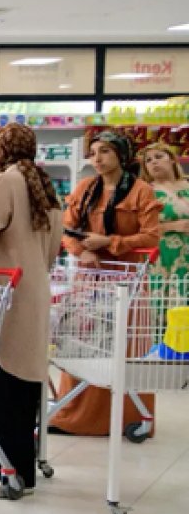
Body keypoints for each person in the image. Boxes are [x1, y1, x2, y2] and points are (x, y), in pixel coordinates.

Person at [0, 123, 63, 499]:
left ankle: (10, 474)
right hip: (34, 290)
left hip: (3, 293)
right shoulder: (45, 186)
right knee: (21, 387)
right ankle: (4, 462)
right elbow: (53, 250)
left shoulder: (5, 182)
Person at [51, 130, 161, 436]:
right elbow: (67, 230)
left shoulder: (141, 191)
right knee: (83, 346)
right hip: (89, 280)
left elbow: (152, 236)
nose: (97, 159)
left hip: (128, 281)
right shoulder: (85, 189)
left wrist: (109, 242)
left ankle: (131, 418)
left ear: (121, 156)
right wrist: (83, 250)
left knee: (125, 348)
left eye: (105, 152)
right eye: (93, 153)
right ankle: (73, 415)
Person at [141, 142, 189, 284]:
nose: (154, 162)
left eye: (158, 156)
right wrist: (172, 227)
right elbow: (137, 229)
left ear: (172, 159)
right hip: (165, 257)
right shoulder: (145, 192)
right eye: (148, 160)